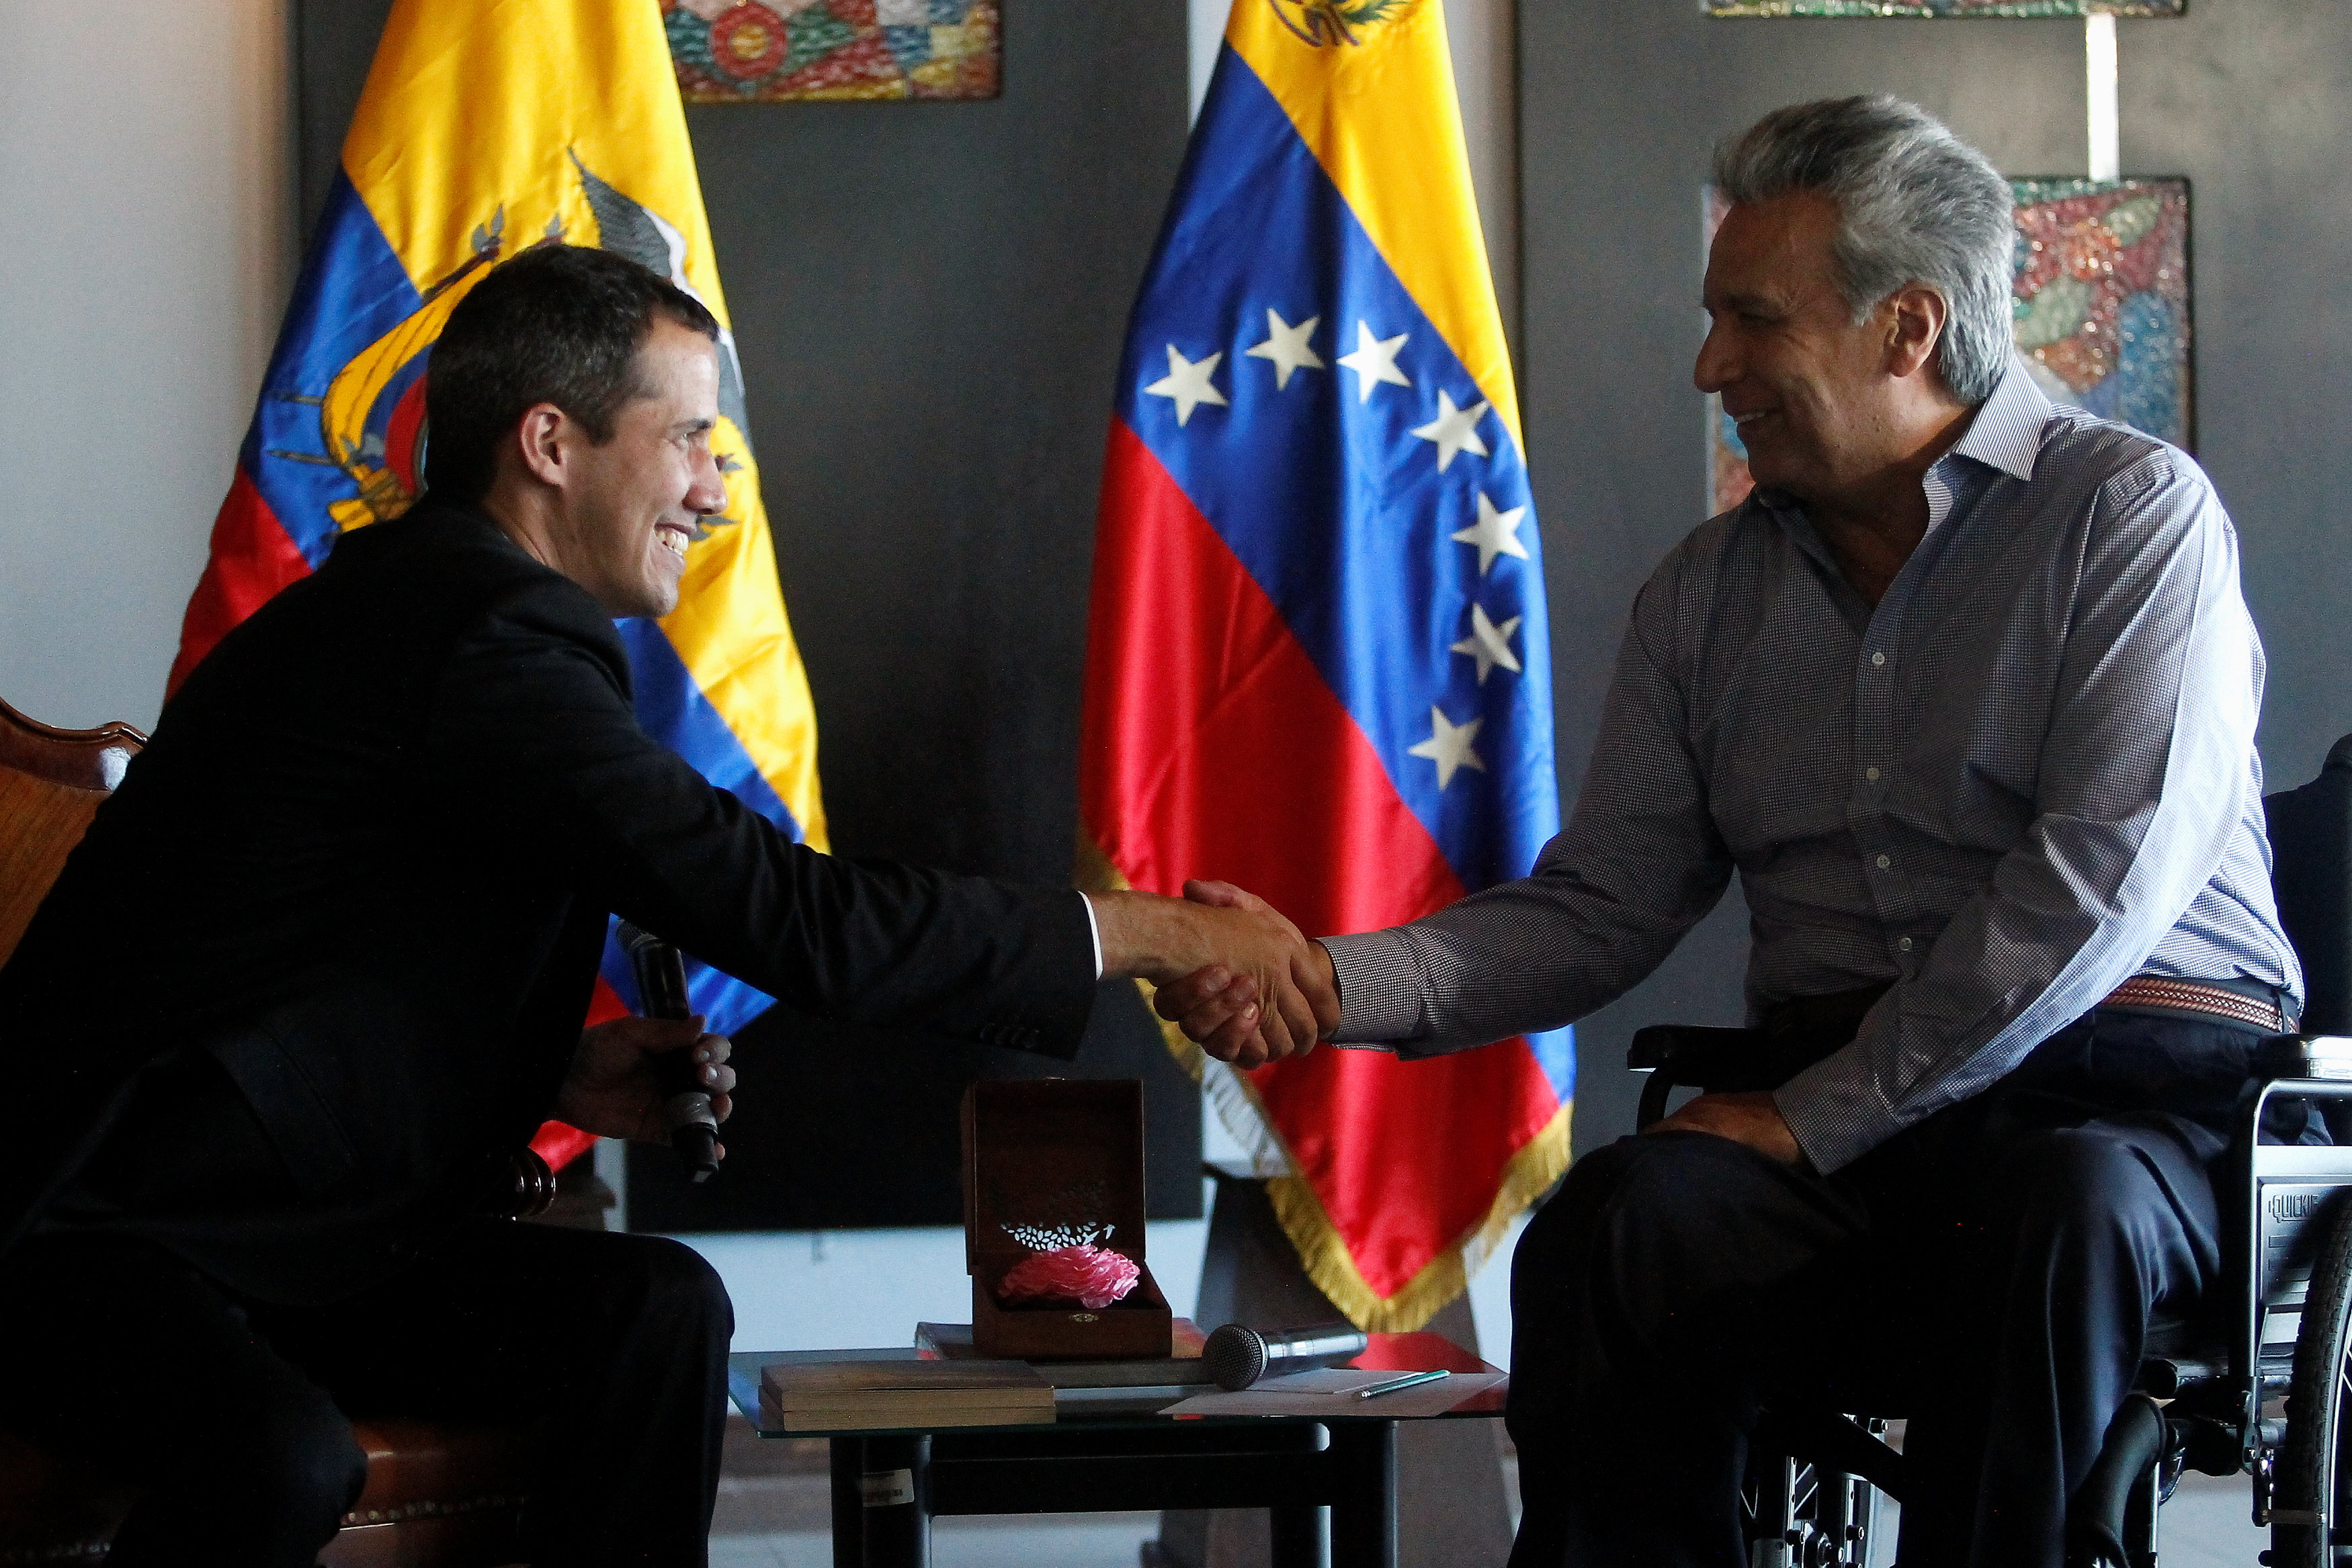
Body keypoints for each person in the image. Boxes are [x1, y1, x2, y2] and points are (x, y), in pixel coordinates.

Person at [0, 243, 1333, 1568]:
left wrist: (558, 1069)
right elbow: (799, 923)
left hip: (266, 1231)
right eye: (690, 438)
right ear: (549, 444)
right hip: (80, 1238)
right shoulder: (473, 641)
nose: (714, 489)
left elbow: (324, 965)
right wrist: (1153, 930)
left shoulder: (437, 616)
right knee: (280, 1456)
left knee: (655, 1313)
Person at [1156, 96, 2302, 1567]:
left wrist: (1816, 1113)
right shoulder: (1707, 594)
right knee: (1615, 1222)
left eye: (1752, 323)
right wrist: (1325, 976)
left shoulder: (2131, 519)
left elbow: (2092, 891)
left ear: (1906, 328)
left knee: (2053, 1207)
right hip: (1845, 1138)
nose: (1712, 369)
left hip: (2128, 1111)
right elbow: (1599, 910)